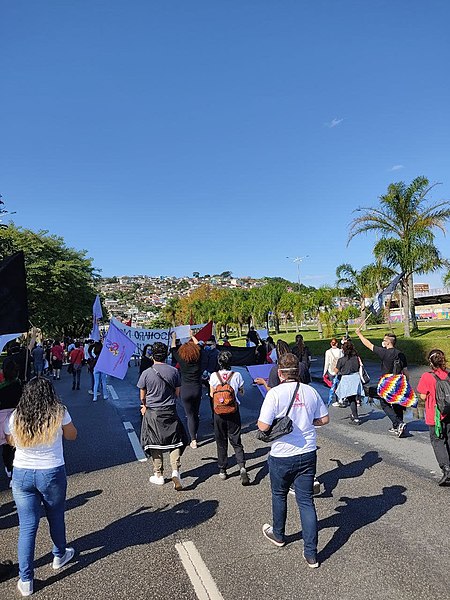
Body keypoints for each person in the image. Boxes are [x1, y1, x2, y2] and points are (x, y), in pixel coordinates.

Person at [4, 377, 77, 597]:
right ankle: (59, 555)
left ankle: (26, 579)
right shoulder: (59, 412)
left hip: (22, 473)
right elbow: (72, 435)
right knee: (55, 516)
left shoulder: (16, 416)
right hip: (51, 471)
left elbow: (10, 441)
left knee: (27, 526)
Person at [257, 353, 329, 567]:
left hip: (281, 454)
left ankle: (278, 534)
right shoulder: (311, 391)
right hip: (307, 452)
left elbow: (263, 426)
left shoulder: (275, 394)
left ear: (280, 373)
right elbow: (324, 419)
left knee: (279, 495)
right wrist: (307, 420)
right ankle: (311, 554)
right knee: (306, 501)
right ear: (298, 372)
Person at [138, 342, 187, 489]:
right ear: (166, 355)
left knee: (155, 442)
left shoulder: (146, 373)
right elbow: (178, 393)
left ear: (152, 355)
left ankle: (158, 474)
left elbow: (142, 396)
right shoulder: (173, 371)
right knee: (175, 441)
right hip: (170, 410)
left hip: (152, 412)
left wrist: (144, 406)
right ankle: (175, 471)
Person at [356, 329, 408, 437]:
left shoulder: (384, 353)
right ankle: (397, 426)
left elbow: (368, 345)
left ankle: (398, 423)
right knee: (397, 403)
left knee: (384, 404)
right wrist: (406, 384)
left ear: (388, 342)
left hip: (387, 382)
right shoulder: (401, 354)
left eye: (384, 340)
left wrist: (359, 334)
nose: (383, 342)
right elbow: (406, 371)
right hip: (399, 381)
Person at [209, 351, 250, 485]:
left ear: (219, 362)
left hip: (218, 412)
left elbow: (211, 394)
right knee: (236, 440)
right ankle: (242, 467)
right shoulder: (237, 375)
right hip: (233, 411)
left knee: (221, 441)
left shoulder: (214, 376)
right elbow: (242, 392)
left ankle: (222, 470)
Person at [417, 349, 450, 486]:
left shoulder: (427, 376)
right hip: (449, 411)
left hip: (435, 415)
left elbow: (423, 396)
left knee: (438, 441)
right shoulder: (448, 374)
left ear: (430, 362)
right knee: (448, 438)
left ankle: (446, 469)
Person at [171, 333, 203, 448]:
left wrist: (174, 338)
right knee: (196, 413)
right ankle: (195, 436)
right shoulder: (198, 358)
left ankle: (193, 439)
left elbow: (173, 348)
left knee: (189, 415)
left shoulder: (182, 360)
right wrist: (192, 335)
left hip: (185, 389)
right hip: (197, 388)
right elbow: (199, 345)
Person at [0, 361, 22, 487]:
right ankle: (13, 470)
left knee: (5, 446)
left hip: (2, 417)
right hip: (16, 416)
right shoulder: (19, 385)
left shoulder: (2, 387)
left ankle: (8, 467)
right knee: (14, 446)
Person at [334, 340, 363, 424]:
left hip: (347, 379)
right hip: (356, 378)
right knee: (353, 398)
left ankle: (356, 417)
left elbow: (335, 371)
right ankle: (354, 414)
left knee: (351, 399)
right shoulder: (356, 358)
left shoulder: (341, 360)